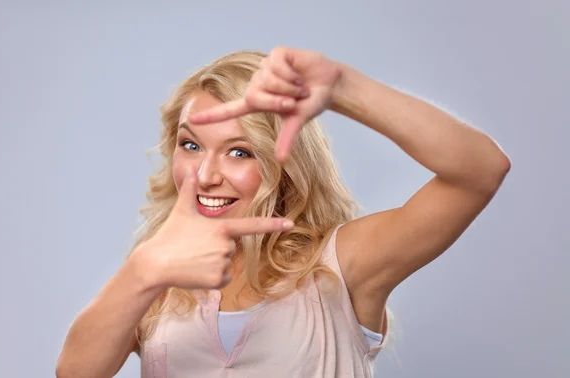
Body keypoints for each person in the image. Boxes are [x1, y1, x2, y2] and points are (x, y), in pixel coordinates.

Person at [56, 47, 511, 378]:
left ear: (285, 163)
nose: (206, 174)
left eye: (239, 152)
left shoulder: (342, 265)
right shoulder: (158, 275)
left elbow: (480, 172)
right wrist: (144, 270)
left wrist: (344, 88)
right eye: (190, 145)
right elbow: (75, 373)